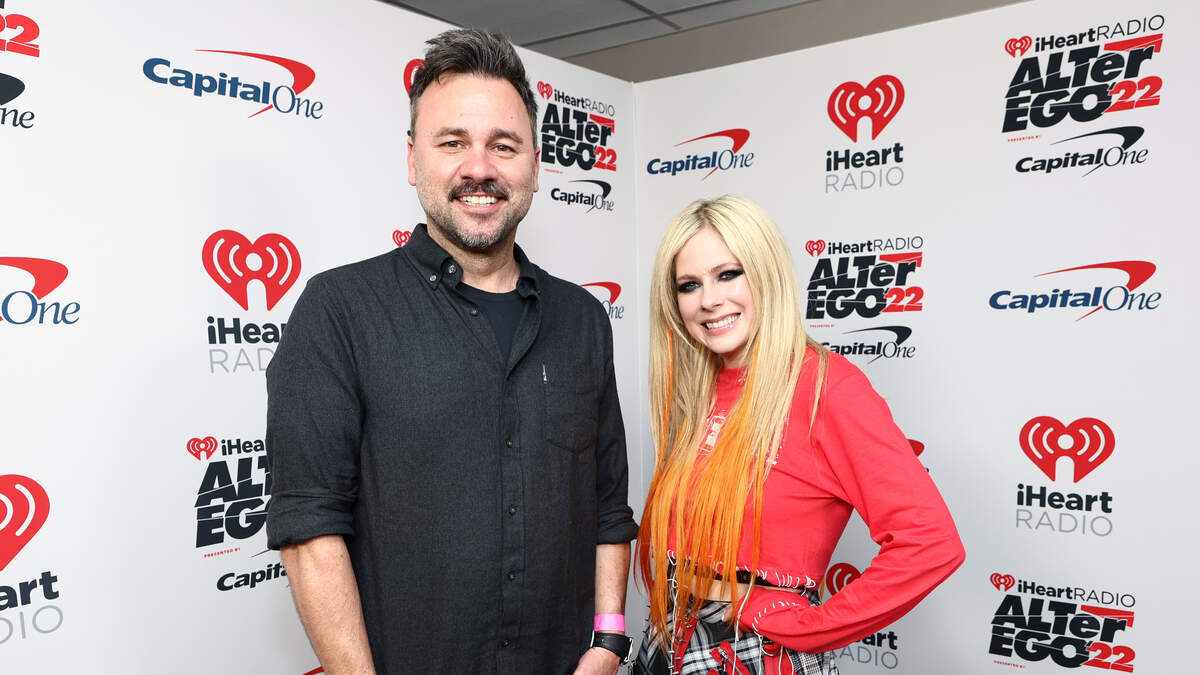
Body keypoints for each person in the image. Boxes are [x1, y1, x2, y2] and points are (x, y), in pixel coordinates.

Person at [265, 29, 638, 675]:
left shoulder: (582, 319)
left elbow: (608, 507)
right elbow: (309, 529)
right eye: (453, 142)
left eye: (504, 145)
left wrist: (608, 639)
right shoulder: (339, 310)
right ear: (413, 160)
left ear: (535, 166)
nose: (480, 168)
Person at [633, 196, 965, 674]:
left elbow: (930, 542)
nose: (708, 300)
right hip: (667, 641)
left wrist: (810, 628)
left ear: (766, 274)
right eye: (690, 284)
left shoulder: (828, 388)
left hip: (754, 651)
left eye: (728, 274)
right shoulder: (698, 387)